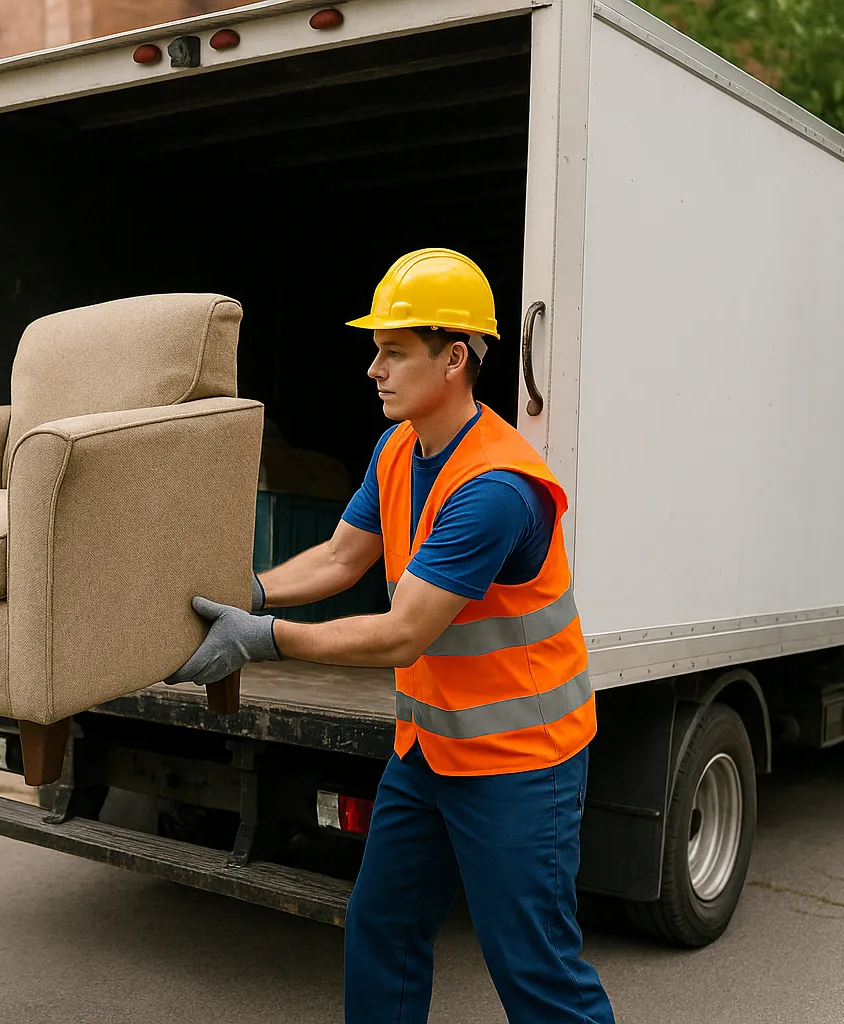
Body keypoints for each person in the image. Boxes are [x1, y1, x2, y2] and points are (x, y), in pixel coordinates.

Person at [168, 248, 616, 1023]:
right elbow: (344, 556)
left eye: (393, 350)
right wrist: (253, 592)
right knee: (383, 927)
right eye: (375, 349)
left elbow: (404, 633)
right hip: (429, 753)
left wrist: (263, 638)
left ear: (453, 359)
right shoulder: (400, 447)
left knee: (533, 970)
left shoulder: (497, 491)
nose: (373, 368)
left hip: (520, 765)